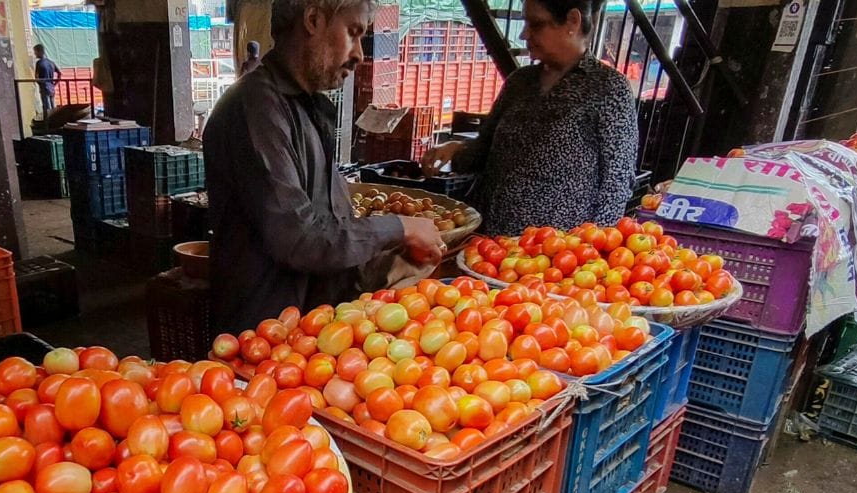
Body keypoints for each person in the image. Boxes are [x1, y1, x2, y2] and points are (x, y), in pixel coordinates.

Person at [204, 0, 444, 334]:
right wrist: (398, 227)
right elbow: (300, 238)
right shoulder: (256, 106)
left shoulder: (307, 107)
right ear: (313, 20)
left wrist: (395, 263)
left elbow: (329, 236)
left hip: (309, 336)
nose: (360, 53)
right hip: (261, 340)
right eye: (353, 33)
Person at [421, 0, 637, 236]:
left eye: (536, 24)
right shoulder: (519, 82)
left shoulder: (608, 88)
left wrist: (593, 246)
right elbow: (484, 150)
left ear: (572, 21)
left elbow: (617, 182)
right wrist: (456, 150)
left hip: (555, 250)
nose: (524, 34)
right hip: (489, 238)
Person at [34, 44, 62, 117]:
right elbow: (60, 73)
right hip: (51, 88)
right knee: (53, 106)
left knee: (46, 108)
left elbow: (36, 77)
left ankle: (48, 124)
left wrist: (40, 84)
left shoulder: (39, 63)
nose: (35, 54)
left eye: (35, 52)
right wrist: (55, 84)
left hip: (44, 87)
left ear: (40, 51)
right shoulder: (51, 62)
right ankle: (55, 122)